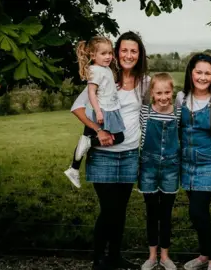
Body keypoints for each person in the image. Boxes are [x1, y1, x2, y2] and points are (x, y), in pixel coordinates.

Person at [69, 31, 150, 270]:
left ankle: (114, 256)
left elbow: (146, 114)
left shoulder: (144, 82)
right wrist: (98, 130)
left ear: (139, 54)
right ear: (115, 53)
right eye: (123, 50)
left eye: (133, 51)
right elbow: (77, 108)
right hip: (104, 155)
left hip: (129, 155)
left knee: (121, 210)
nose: (128, 55)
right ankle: (98, 261)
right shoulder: (105, 77)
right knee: (109, 209)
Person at [175, 53, 211, 270]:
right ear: (191, 73)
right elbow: (177, 130)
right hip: (186, 162)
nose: (202, 77)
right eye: (198, 72)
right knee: (199, 213)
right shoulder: (182, 98)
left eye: (207, 73)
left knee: (197, 211)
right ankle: (204, 254)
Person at [64, 36, 126, 188]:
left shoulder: (104, 69)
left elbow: (104, 89)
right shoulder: (96, 71)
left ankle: (74, 168)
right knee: (118, 137)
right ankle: (86, 147)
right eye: (103, 54)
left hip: (108, 108)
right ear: (93, 55)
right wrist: (98, 112)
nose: (108, 57)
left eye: (110, 53)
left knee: (108, 137)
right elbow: (91, 93)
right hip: (103, 110)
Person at [138, 73, 181, 270]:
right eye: (159, 93)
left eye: (167, 92)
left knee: (166, 214)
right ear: (152, 94)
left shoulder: (177, 112)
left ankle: (165, 256)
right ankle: (152, 256)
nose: (163, 97)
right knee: (151, 212)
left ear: (172, 92)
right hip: (148, 167)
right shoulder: (145, 112)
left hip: (171, 168)